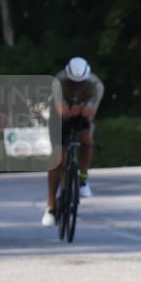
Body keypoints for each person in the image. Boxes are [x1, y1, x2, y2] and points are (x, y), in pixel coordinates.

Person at [41, 57, 104, 227]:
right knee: (58, 159)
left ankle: (82, 178)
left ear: (87, 77)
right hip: (59, 117)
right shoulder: (58, 82)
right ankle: (51, 207)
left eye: (81, 82)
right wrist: (71, 110)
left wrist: (81, 111)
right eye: (73, 82)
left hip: (81, 114)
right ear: (67, 76)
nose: (77, 86)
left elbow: (90, 113)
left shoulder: (96, 85)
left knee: (86, 139)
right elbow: (61, 112)